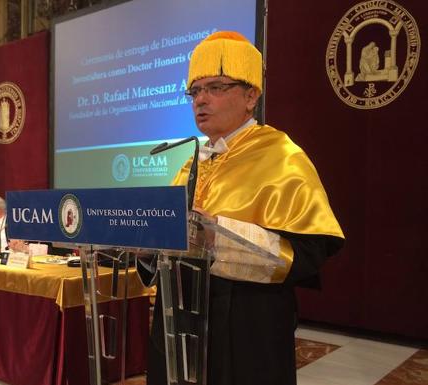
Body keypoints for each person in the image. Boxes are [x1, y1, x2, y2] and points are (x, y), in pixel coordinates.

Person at [141, 31, 345, 385]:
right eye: (195, 91)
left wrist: (218, 235)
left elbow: (309, 252)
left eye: (216, 88)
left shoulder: (282, 157)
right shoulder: (192, 163)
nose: (200, 100)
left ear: (251, 96)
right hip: (180, 323)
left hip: (244, 326)